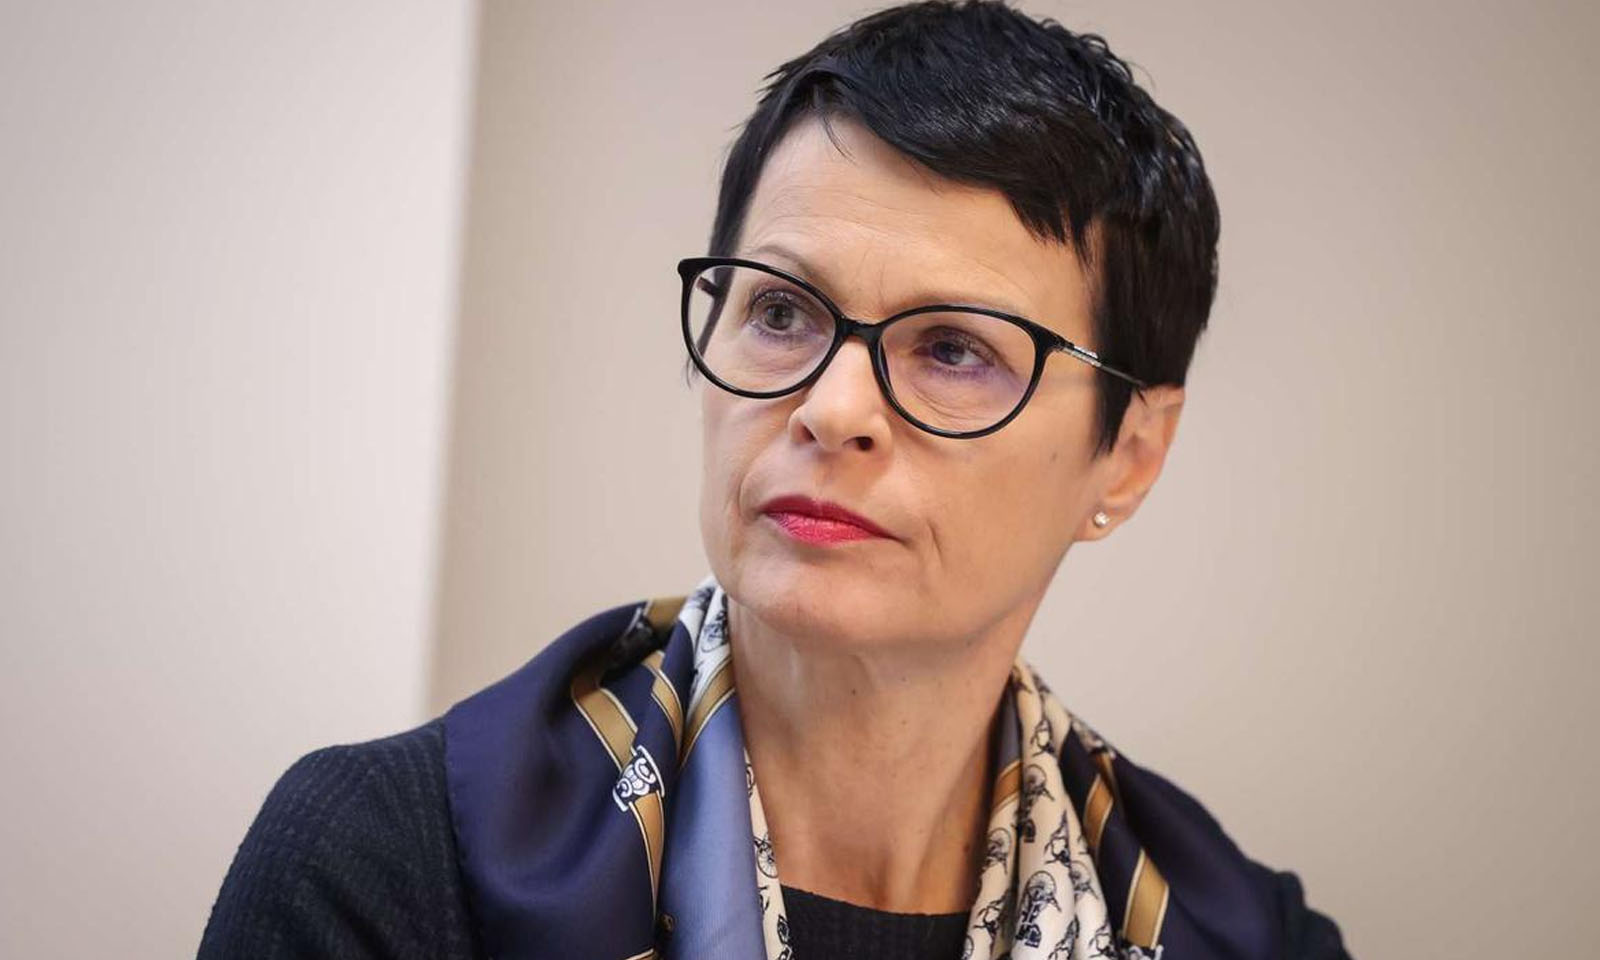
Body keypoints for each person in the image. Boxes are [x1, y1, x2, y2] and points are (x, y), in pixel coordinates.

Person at [200, 2, 1351, 958]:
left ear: (1129, 454)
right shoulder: (391, 865)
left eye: (955, 349)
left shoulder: (1243, 938)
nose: (831, 409)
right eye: (782, 311)